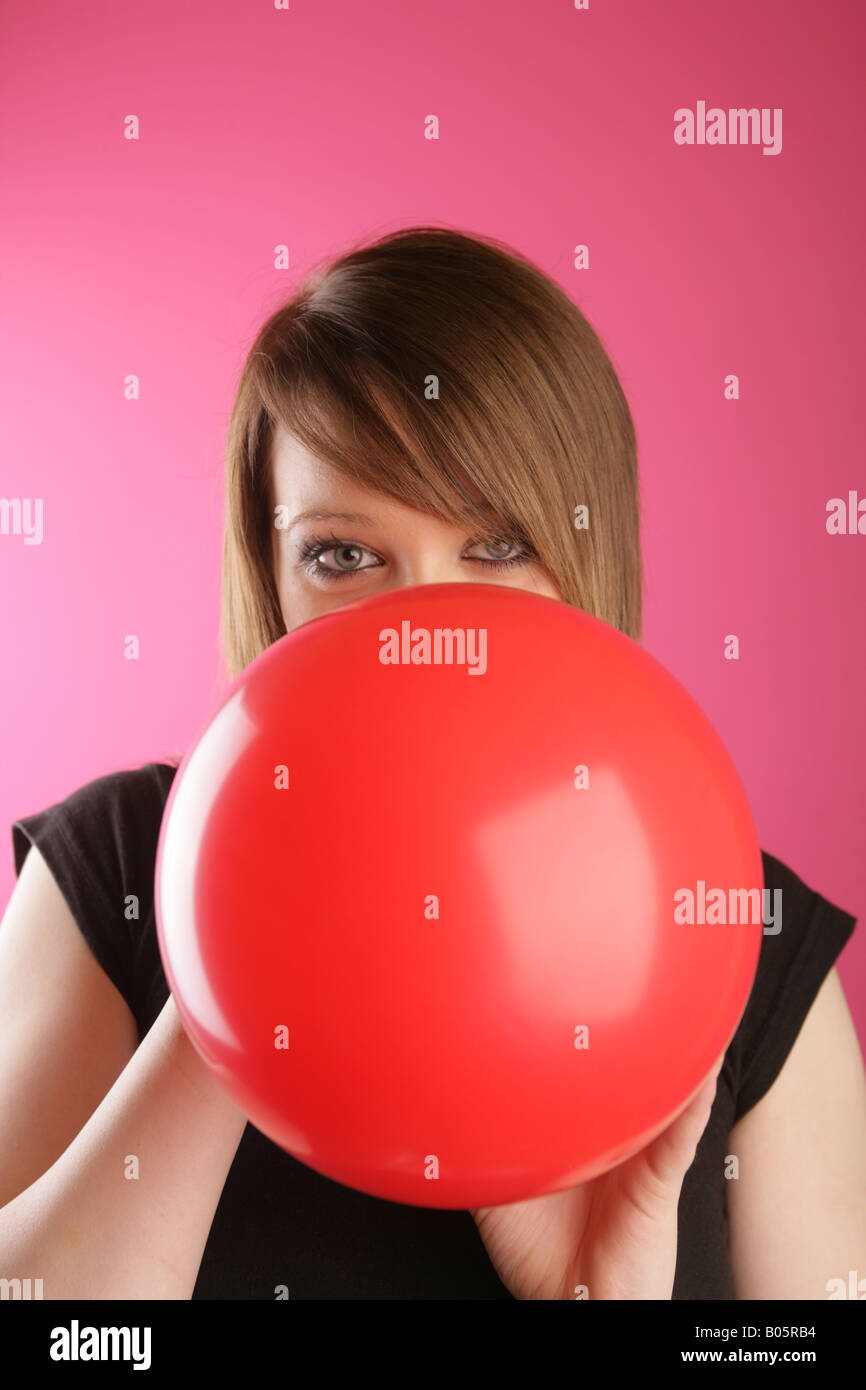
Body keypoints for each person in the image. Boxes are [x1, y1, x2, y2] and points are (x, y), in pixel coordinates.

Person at [1, 226, 864, 1300]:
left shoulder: (730, 924)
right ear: (273, 586)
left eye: (494, 544)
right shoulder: (117, 870)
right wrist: (235, 967)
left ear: (582, 555)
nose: (419, 623)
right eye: (343, 555)